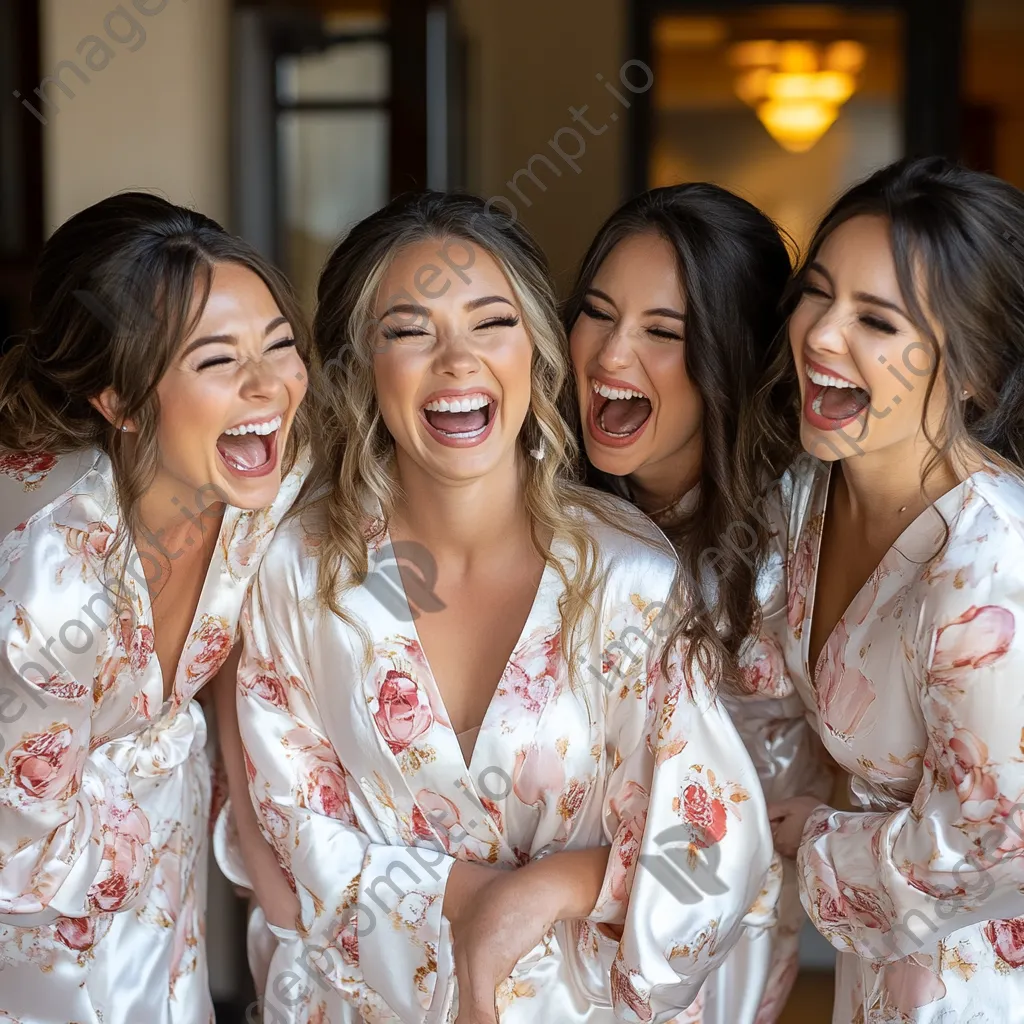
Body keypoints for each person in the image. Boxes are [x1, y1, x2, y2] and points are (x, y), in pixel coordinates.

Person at [230, 191, 781, 1024]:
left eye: (491, 323)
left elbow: (709, 846)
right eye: (410, 330)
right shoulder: (298, 571)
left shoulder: (627, 574)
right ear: (358, 364)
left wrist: (550, 895)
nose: (457, 362)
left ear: (537, 349)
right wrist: (486, 900)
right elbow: (289, 829)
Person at [0, 192, 311, 1024]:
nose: (268, 386)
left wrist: (257, 836)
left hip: (156, 851)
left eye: (280, 345)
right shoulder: (54, 579)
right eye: (216, 362)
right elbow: (15, 850)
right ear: (122, 402)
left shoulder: (262, 485)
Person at [749, 156, 1024, 1022]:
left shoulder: (989, 566)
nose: (822, 335)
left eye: (876, 319)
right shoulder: (804, 496)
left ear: (972, 368)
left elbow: (997, 842)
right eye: (817, 295)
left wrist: (814, 840)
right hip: (886, 976)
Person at [564, 183, 833, 1024]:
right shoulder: (545, 506)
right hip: (553, 919)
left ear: (734, 352)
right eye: (598, 314)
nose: (612, 356)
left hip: (726, 933)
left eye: (663, 332)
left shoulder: (813, 524)